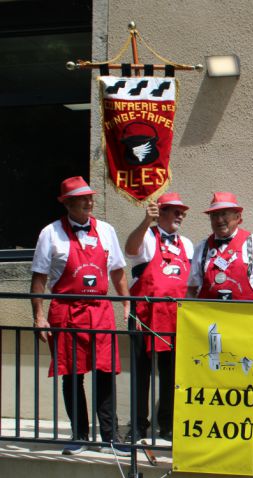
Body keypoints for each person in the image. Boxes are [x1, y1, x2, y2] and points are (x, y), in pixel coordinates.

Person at [30, 176, 130, 455]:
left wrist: (126, 303)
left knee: (105, 373)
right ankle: (80, 435)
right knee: (72, 376)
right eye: (82, 199)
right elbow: (39, 278)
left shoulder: (107, 230)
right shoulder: (50, 233)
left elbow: (118, 271)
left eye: (90, 197)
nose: (89, 202)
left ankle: (110, 437)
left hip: (100, 311)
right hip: (66, 312)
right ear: (67, 203)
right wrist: (39, 317)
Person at [125, 192, 192, 441]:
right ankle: (138, 425)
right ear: (160, 212)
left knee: (171, 373)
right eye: (175, 211)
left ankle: (167, 424)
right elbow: (130, 249)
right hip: (146, 314)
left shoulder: (187, 244)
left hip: (175, 317)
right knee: (141, 371)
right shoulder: (147, 237)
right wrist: (146, 221)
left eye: (182, 212)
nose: (180, 216)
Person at [187, 192, 253, 301]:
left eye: (224, 214)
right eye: (214, 215)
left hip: (247, 312)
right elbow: (191, 290)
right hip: (208, 312)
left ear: (238, 217)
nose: (219, 220)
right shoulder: (201, 248)